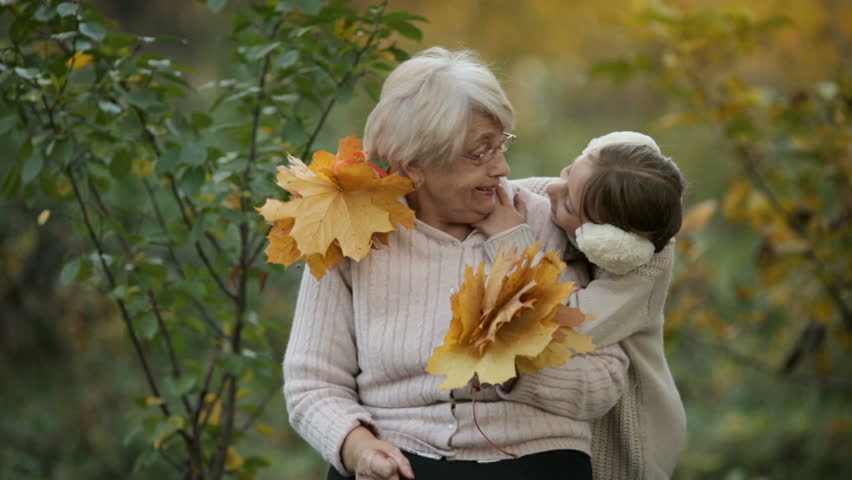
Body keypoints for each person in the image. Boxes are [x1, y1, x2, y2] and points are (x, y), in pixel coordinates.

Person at [282, 47, 629, 480]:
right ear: (415, 165)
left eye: (500, 146)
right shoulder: (353, 233)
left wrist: (516, 371)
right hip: (399, 458)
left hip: (533, 460)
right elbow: (312, 383)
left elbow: (604, 381)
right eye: (478, 154)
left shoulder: (547, 223)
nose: (501, 168)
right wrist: (358, 449)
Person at [477, 131, 688, 479]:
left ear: (608, 243)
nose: (554, 190)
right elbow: (510, 193)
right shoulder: (578, 188)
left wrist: (512, 241)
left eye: (569, 205)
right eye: (567, 171)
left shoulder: (639, 269)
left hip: (627, 434)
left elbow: (552, 321)